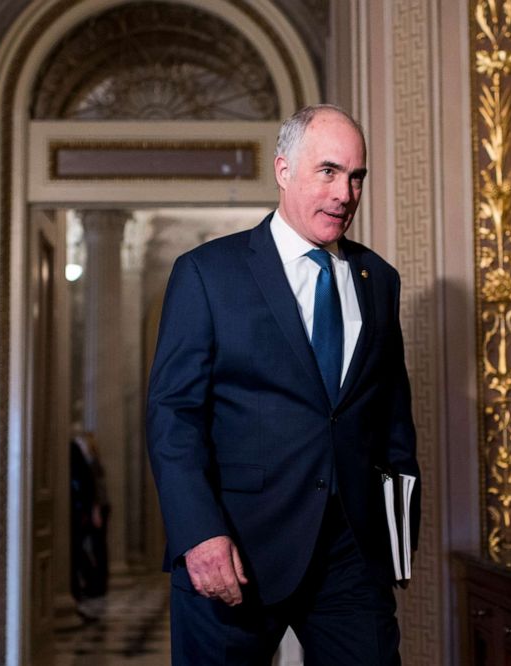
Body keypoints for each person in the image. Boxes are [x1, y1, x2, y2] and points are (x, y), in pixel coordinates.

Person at [147, 104, 420, 665]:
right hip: (236, 547)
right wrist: (198, 534)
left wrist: (394, 541)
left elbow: (392, 419)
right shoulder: (207, 273)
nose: (344, 193)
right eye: (327, 172)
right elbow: (173, 415)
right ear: (283, 170)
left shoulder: (379, 280)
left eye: (356, 176)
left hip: (351, 556)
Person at [69, 431, 110, 608]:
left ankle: (96, 584)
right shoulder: (88, 460)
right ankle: (92, 583)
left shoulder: (91, 462)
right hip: (93, 508)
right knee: (90, 548)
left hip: (96, 508)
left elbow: (96, 488)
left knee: (96, 547)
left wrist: (95, 510)